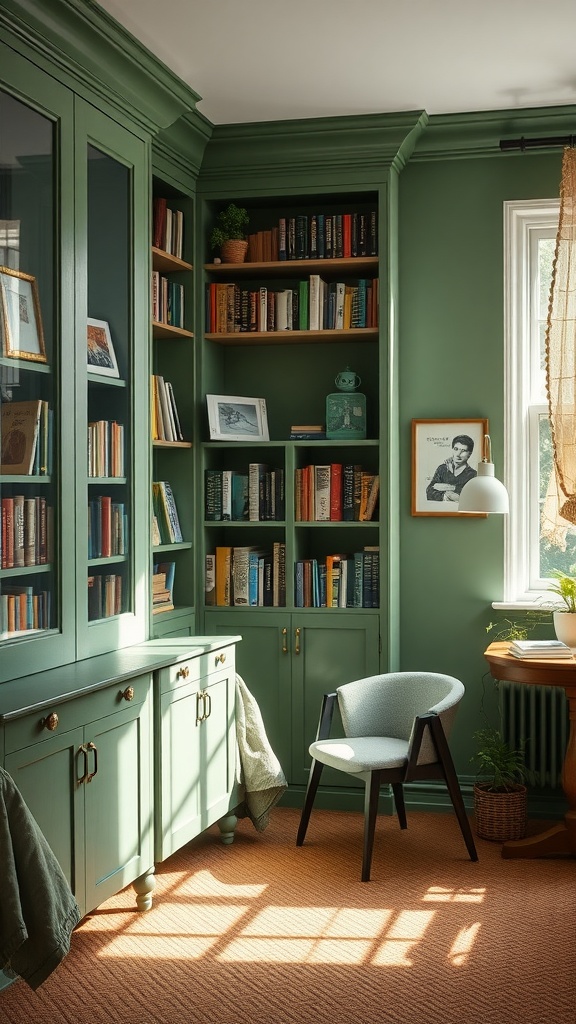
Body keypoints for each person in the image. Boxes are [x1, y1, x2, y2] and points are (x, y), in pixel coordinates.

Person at [426, 434, 477, 503]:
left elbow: (471, 497)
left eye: (463, 450)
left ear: (469, 454)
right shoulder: (442, 468)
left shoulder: (473, 474)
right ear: (452, 449)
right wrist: (445, 496)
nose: (458, 454)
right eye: (456, 449)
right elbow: (429, 491)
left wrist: (450, 488)